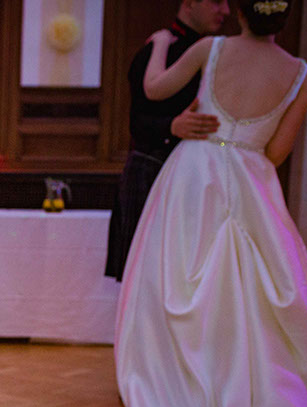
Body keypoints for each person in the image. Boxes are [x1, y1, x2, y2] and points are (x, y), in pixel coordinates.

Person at [115, 0, 307, 407]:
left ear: (241, 10)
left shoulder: (209, 49)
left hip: (194, 177)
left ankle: (181, 391)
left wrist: (160, 44)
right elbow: (277, 152)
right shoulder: (300, 73)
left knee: (179, 283)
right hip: (254, 181)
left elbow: (155, 89)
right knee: (257, 295)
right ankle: (255, 395)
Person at [105, 0, 229, 280]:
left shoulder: (224, 54)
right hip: (152, 170)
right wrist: (171, 125)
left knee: (191, 278)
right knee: (144, 277)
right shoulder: (157, 50)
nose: (225, 11)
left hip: (202, 178)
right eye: (217, 2)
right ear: (189, 3)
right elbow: (136, 123)